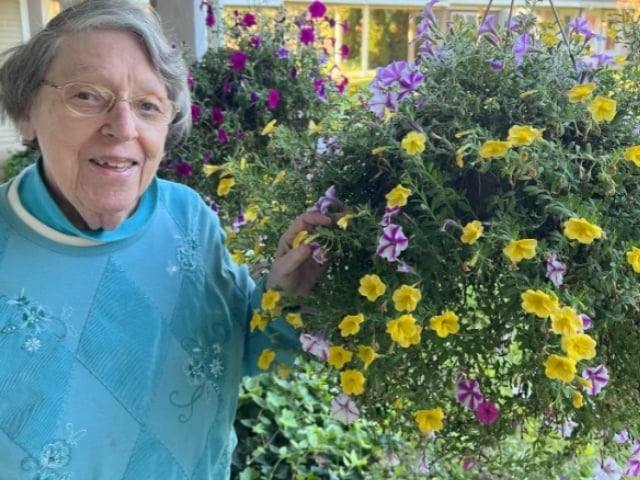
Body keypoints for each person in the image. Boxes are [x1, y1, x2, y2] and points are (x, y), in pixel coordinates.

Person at [0, 1, 330, 478]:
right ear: (27, 111)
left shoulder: (188, 218)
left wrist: (284, 295)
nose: (124, 127)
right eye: (88, 95)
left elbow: (242, 352)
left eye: (148, 105)